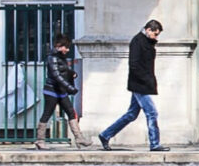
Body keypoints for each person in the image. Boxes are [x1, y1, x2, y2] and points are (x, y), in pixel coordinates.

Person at [100, 19, 167, 151]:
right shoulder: (137, 41)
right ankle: (154, 143)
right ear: (148, 30)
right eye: (155, 34)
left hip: (142, 83)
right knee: (152, 113)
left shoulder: (146, 41)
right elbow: (134, 64)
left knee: (131, 114)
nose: (156, 37)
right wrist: (145, 80)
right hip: (139, 84)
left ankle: (105, 135)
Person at [35, 33, 86, 149]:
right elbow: (56, 76)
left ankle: (79, 138)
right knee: (47, 114)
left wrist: (72, 73)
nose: (67, 50)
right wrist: (69, 87)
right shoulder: (52, 58)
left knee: (71, 112)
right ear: (58, 46)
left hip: (61, 91)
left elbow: (63, 71)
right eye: (66, 47)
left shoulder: (60, 57)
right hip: (52, 91)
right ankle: (40, 140)